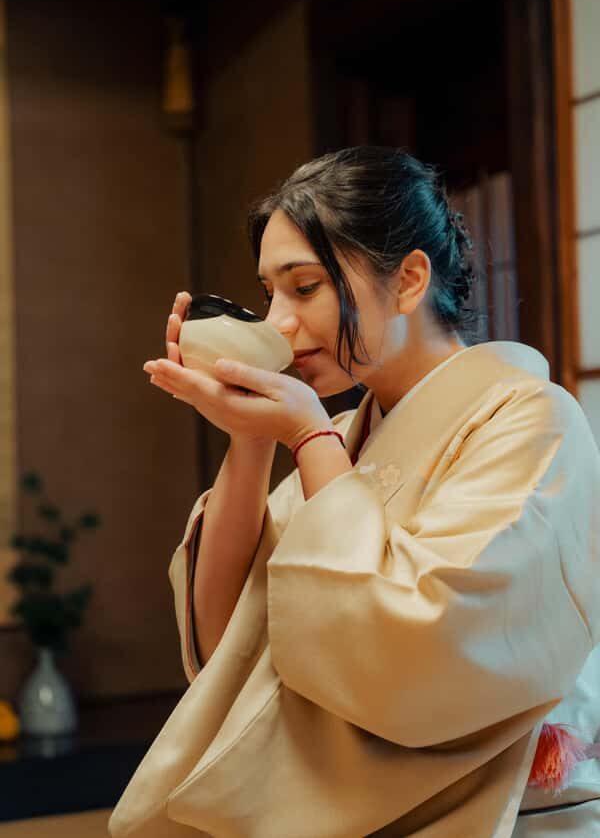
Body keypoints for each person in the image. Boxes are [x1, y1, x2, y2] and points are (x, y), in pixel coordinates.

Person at [109, 147, 600, 837]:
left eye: (304, 287)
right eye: (269, 292)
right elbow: (228, 637)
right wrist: (248, 433)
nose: (277, 321)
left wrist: (306, 439)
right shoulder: (340, 435)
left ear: (408, 282)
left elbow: (417, 653)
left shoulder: (533, 419)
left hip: (511, 812)